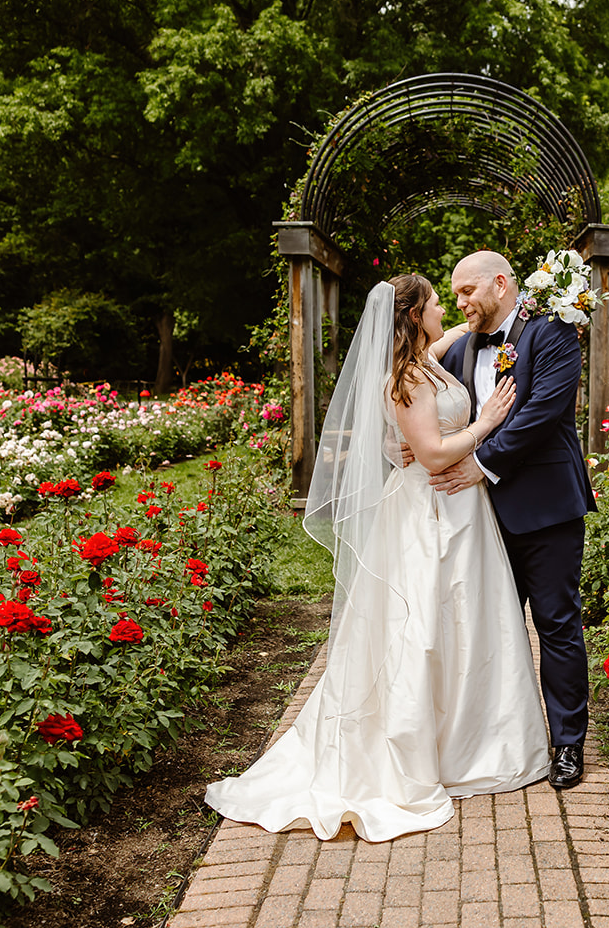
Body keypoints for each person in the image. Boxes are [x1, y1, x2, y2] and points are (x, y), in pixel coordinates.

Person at [204, 274, 551, 841]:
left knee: (464, 625)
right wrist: (485, 424)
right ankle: (429, 749)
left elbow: (453, 339)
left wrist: (502, 312)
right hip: (431, 509)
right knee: (425, 629)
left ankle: (469, 738)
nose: (449, 311)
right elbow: (434, 454)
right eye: (440, 304)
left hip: (461, 513)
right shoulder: (410, 379)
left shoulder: (427, 359)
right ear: (416, 315)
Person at [429, 249, 596, 790]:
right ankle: (491, 741)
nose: (461, 303)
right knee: (484, 630)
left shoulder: (552, 332)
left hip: (545, 511)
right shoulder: (459, 348)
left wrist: (479, 464)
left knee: (557, 626)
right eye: (453, 295)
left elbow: (543, 413)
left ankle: (568, 744)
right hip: (477, 519)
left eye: (467, 292)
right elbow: (423, 397)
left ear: (500, 285)